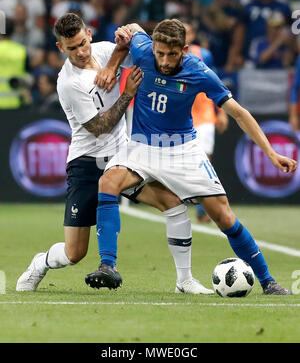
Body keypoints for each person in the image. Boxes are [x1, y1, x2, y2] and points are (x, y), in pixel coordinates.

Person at [85, 18, 297, 295]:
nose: (164, 60)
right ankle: (107, 266)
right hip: (142, 147)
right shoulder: (143, 50)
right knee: (107, 182)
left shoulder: (199, 71)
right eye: (159, 53)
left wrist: (270, 153)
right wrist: (121, 43)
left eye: (171, 54)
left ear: (184, 50)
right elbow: (135, 29)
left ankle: (268, 281)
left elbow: (239, 113)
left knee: (224, 217)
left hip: (183, 150)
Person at [16, 13, 213, 295]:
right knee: (74, 253)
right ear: (61, 48)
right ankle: (41, 262)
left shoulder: (106, 50)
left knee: (173, 203)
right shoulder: (68, 83)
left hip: (123, 155)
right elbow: (100, 127)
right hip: (86, 162)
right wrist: (128, 94)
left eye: (83, 43)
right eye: (72, 48)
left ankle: (185, 280)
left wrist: (123, 46)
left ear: (89, 34)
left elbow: (139, 48)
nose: (81, 52)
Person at [184, 21, 228, 222]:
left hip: (204, 116)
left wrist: (222, 112)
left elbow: (216, 85)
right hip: (181, 117)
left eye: (188, 32)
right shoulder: (167, 56)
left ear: (193, 35)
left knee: (205, 161)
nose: (185, 35)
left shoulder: (204, 54)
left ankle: (205, 208)